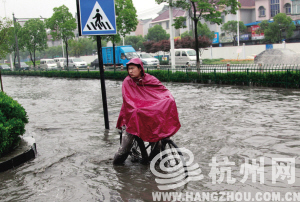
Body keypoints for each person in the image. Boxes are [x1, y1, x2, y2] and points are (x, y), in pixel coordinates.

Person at [113, 58, 181, 165]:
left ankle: (152, 165)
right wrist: (138, 109)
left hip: (149, 116)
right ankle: (115, 166)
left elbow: (163, 92)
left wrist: (169, 100)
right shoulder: (127, 82)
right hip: (132, 117)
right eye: (128, 69)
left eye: (132, 68)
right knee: (124, 150)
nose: (130, 71)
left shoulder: (151, 79)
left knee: (157, 145)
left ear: (140, 69)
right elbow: (128, 99)